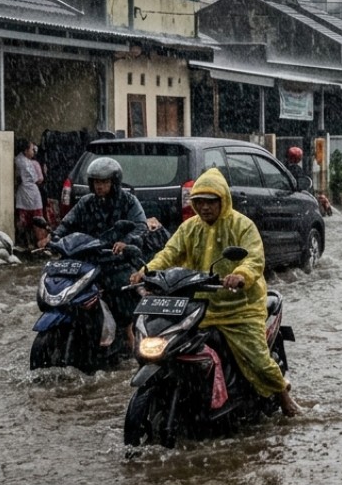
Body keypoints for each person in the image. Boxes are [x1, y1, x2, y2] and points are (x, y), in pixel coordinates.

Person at [129, 167, 301, 417]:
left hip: (239, 308)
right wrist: (146, 270)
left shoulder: (242, 226)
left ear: (223, 200)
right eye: (198, 202)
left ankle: (284, 395)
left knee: (257, 358)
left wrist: (240, 276)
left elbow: (253, 259)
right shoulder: (190, 227)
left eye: (210, 202)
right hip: (197, 307)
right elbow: (169, 253)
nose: (204, 208)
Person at [53, 158, 149, 351]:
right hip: (89, 259)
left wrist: (125, 242)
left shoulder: (128, 201)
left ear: (114, 183)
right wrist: (54, 238)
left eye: (104, 182)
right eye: (96, 182)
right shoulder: (86, 202)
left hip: (117, 261)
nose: (100, 186)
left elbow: (140, 227)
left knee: (123, 287)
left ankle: (128, 334)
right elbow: (67, 224)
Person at [14, 139, 47, 250]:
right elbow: (38, 179)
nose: (33, 151)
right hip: (29, 193)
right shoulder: (25, 163)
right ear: (25, 150)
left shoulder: (20, 161)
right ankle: (39, 243)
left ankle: (28, 243)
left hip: (26, 194)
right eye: (32, 149)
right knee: (36, 221)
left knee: (25, 221)